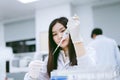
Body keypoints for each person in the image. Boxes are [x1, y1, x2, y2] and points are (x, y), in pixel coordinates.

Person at [24, 16, 96, 80]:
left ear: (70, 30)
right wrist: (31, 76)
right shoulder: (50, 59)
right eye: (55, 34)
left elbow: (91, 73)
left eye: (62, 31)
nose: (60, 36)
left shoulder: (87, 51)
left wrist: (77, 40)